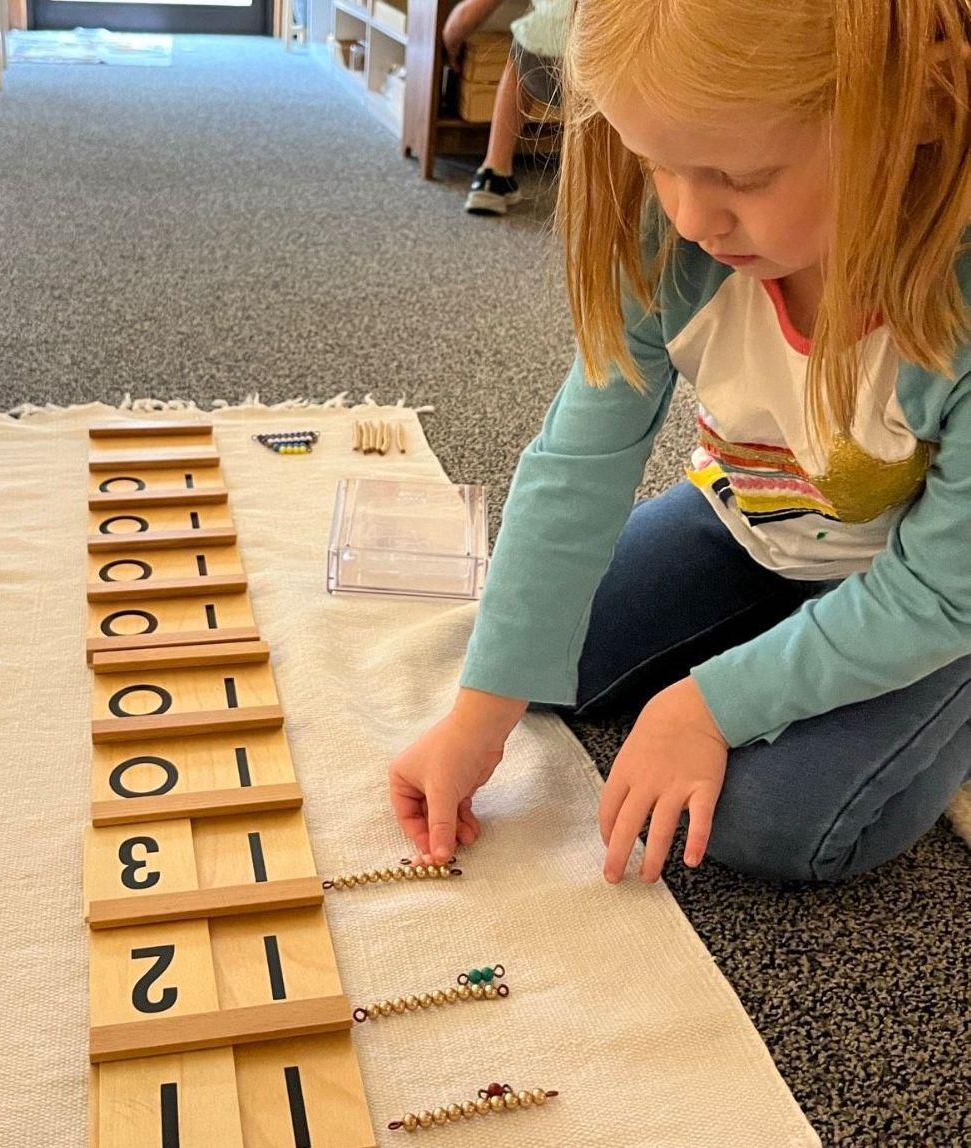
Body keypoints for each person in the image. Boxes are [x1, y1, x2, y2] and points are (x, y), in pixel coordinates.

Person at [390, 0, 971, 883]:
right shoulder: (675, 240)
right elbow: (577, 465)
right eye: (658, 164)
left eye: (743, 176)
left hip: (933, 593)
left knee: (770, 824)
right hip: (750, 527)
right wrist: (479, 716)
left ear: (920, 112)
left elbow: (935, 590)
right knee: (548, 666)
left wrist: (708, 704)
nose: (694, 216)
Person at [442, 0, 570, 214]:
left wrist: (450, 45)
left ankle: (494, 172)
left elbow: (466, 16)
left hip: (542, 61)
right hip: (598, 68)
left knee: (522, 49)